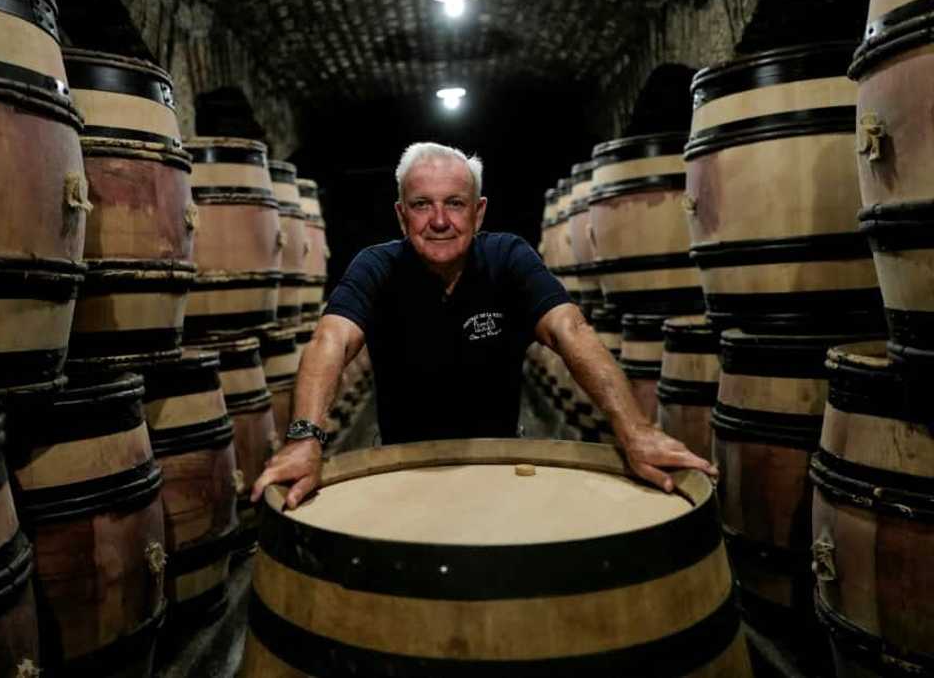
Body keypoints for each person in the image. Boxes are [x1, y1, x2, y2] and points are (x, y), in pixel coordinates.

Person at [252, 142, 716, 509]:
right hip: (399, 465)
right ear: (400, 214)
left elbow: (570, 330)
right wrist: (303, 438)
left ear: (479, 212)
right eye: (421, 205)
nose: (439, 220)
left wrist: (634, 429)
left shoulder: (508, 258)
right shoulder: (376, 267)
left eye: (455, 203)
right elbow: (330, 340)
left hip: (501, 459)